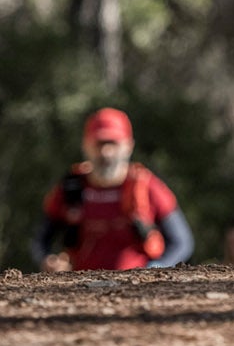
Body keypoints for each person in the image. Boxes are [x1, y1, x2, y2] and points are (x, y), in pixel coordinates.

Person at [33, 107, 195, 272]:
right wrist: (47, 260)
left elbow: (182, 242)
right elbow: (40, 240)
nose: (106, 152)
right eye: (99, 143)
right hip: (78, 289)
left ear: (128, 146)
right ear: (86, 145)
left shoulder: (147, 186)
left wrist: (156, 269)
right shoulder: (70, 187)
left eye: (113, 143)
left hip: (138, 289)